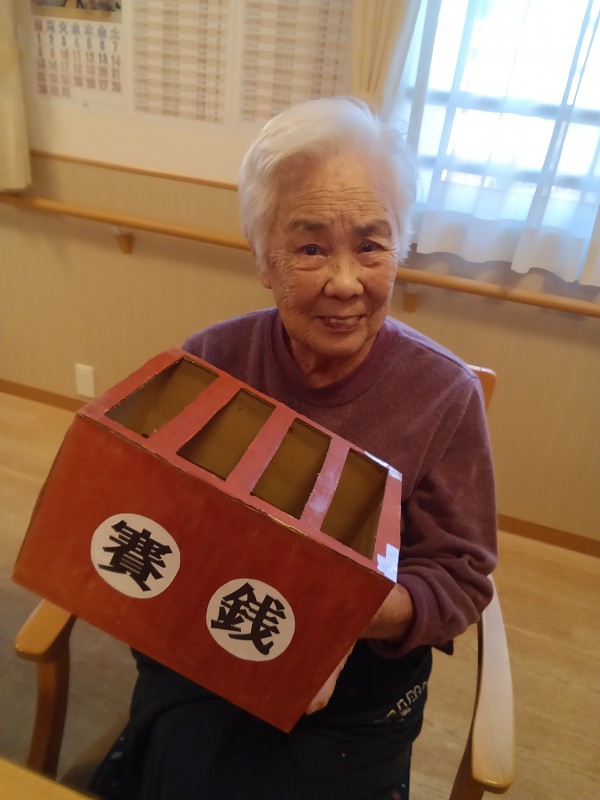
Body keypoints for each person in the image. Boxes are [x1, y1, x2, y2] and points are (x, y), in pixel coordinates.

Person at [93, 96, 497, 800]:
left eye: (370, 245)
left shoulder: (443, 394)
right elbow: (155, 513)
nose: (345, 282)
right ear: (262, 259)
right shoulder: (210, 361)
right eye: (310, 248)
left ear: (399, 249)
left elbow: (460, 577)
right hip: (211, 641)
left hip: (359, 678)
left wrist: (338, 612)